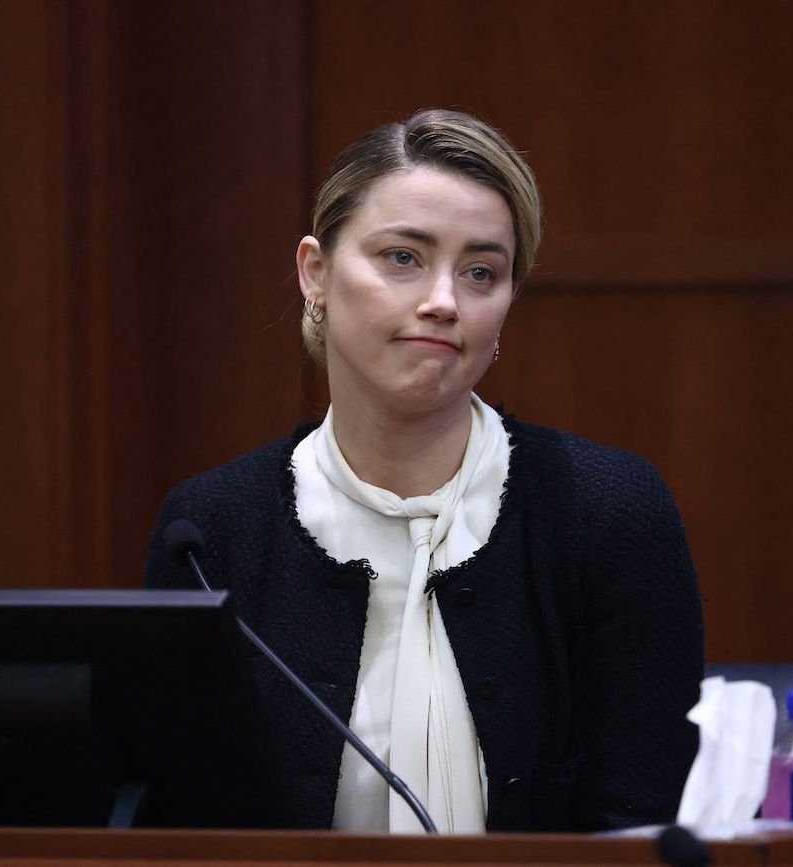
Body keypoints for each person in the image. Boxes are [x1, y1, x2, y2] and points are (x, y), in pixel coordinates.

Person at [143, 108, 703, 834]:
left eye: (480, 271)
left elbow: (642, 818)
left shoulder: (607, 511)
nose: (443, 302)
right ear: (315, 272)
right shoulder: (210, 531)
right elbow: (177, 823)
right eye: (403, 257)